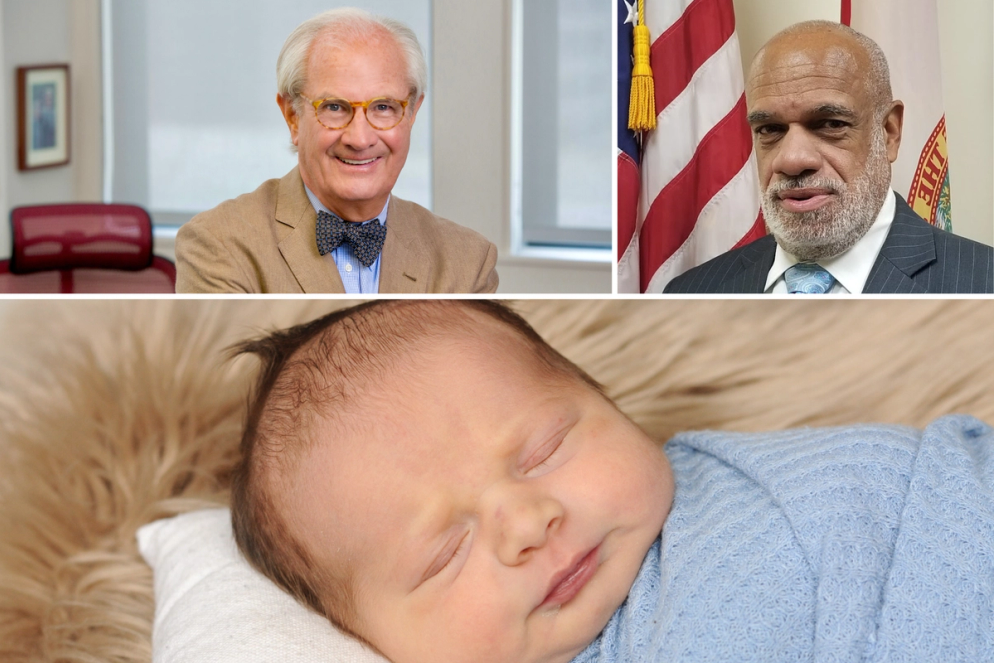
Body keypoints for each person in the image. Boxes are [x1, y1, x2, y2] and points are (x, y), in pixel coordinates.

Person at [229, 300, 994, 663]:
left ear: (610, 402)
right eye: (444, 552)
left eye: (544, 447)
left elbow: (933, 497)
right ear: (364, 639)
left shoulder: (767, 508)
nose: (527, 522)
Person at [175, 9, 498, 294]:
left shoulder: (468, 262)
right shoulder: (219, 245)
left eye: (383, 107)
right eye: (334, 107)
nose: (359, 139)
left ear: (412, 114)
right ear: (292, 117)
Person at [665, 21, 993, 294]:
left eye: (830, 124)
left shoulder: (981, 282)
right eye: (770, 129)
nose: (791, 160)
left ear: (889, 132)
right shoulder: (692, 293)